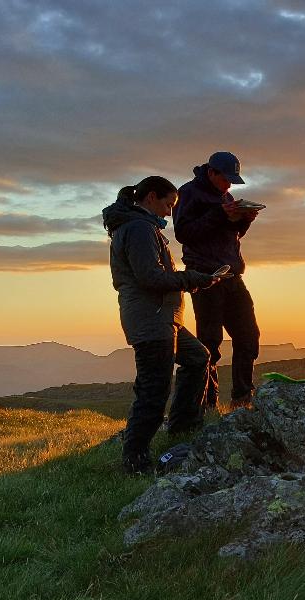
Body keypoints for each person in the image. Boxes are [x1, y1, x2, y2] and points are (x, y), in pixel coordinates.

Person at [104, 176, 223, 474]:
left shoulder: (141, 227)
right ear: (151, 197)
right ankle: (134, 458)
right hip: (151, 319)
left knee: (198, 358)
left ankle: (183, 425)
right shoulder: (139, 228)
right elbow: (150, 277)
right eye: (169, 204)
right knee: (154, 389)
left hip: (162, 317)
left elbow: (154, 274)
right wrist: (192, 279)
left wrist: (194, 278)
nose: (170, 212)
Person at [173, 151, 261, 408]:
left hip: (232, 276)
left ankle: (242, 399)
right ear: (211, 172)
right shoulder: (188, 193)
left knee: (248, 337)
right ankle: (208, 404)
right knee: (209, 343)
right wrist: (221, 215)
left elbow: (230, 236)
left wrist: (244, 221)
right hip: (206, 277)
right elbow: (185, 233)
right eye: (226, 179)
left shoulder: (227, 197)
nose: (229, 185)